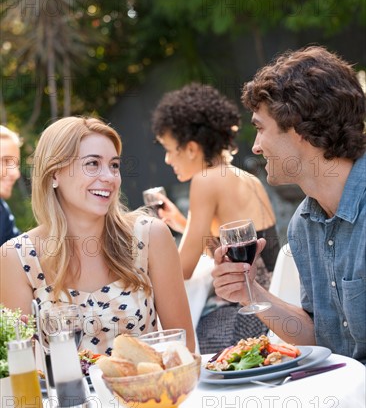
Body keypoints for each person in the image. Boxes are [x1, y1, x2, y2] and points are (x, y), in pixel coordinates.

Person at [212, 45, 366, 363]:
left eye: (259, 128)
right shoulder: (304, 224)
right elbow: (318, 336)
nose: (255, 147)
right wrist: (251, 292)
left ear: (297, 128)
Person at [0, 116, 195, 354]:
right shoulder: (17, 258)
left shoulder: (151, 236)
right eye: (92, 163)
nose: (109, 177)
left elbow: (184, 349)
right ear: (54, 175)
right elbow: (22, 368)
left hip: (149, 390)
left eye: (114, 165)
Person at [151, 83, 280, 353]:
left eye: (169, 148)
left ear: (191, 148)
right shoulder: (241, 176)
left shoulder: (205, 181)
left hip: (246, 321)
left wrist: (146, 249)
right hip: (273, 308)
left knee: (170, 340)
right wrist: (181, 224)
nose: (166, 159)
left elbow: (181, 269)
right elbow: (230, 248)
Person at [0, 125, 21, 246]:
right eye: (6, 161)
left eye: (16, 164)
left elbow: (20, 250)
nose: (15, 173)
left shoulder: (2, 211)